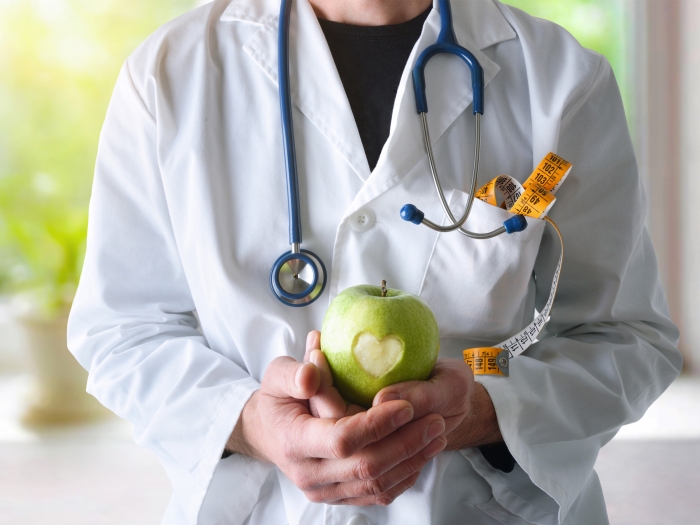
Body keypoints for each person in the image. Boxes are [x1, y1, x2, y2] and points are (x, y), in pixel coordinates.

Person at [67, 0, 682, 523]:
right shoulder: (170, 73)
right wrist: (253, 422)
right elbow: (122, 329)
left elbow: (625, 338)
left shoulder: (560, 79)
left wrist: (480, 412)